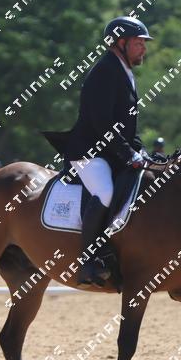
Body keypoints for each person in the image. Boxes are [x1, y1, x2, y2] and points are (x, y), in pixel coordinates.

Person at [65, 16, 153, 287]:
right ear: (120, 43)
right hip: (89, 151)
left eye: (144, 43)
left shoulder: (125, 72)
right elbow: (102, 122)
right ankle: (87, 262)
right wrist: (128, 154)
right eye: (138, 43)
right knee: (104, 192)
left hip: (111, 151)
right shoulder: (105, 71)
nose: (144, 48)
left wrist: (139, 150)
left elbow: (127, 125)